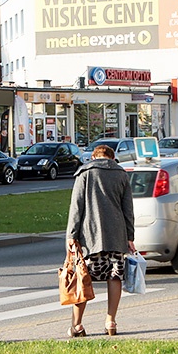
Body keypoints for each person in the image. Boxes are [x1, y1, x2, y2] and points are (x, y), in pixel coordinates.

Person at [65, 144, 135, 337]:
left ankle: (77, 325)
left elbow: (76, 207)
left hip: (90, 237)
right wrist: (130, 237)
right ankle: (110, 321)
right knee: (115, 277)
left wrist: (72, 235)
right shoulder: (121, 175)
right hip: (117, 236)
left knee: (84, 279)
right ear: (112, 159)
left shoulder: (85, 173)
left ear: (94, 157)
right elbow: (128, 209)